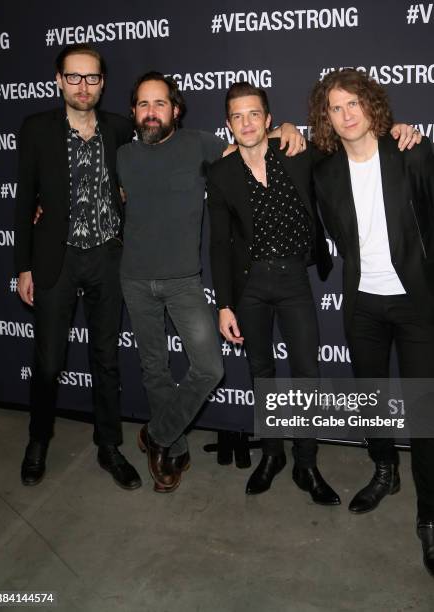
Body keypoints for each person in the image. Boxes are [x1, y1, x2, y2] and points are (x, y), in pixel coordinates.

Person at [117, 72, 305, 493]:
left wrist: (285, 129)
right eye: (144, 105)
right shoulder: (123, 155)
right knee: (154, 371)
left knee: (209, 366)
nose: (151, 112)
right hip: (133, 278)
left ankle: (157, 435)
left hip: (185, 281)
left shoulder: (200, 144)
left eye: (160, 104)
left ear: (176, 110)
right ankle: (173, 448)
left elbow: (251, 141)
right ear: (134, 112)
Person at [310, 69, 434, 579]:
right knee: (371, 397)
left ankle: (430, 518)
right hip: (363, 304)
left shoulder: (409, 151)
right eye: (335, 107)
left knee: (423, 411)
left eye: (354, 102)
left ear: (371, 106)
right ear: (325, 118)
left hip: (414, 304)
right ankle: (384, 470)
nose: (346, 113)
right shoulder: (326, 172)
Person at [14, 44, 141, 489]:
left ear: (102, 83)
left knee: (106, 359)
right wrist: (24, 266)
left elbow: (166, 147)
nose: (83, 86)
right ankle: (37, 441)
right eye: (74, 77)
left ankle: (109, 446)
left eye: (91, 78)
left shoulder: (121, 130)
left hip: (108, 257)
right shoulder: (36, 130)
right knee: (48, 362)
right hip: (56, 259)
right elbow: (24, 201)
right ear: (58, 80)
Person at [206, 82, 339, 504]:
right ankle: (273, 454)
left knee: (306, 373)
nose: (246, 123)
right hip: (251, 286)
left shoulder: (294, 152)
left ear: (266, 119)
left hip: (295, 279)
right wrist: (224, 303)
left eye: (253, 114)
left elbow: (346, 146)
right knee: (262, 372)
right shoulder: (221, 173)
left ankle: (306, 462)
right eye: (237, 116)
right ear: (229, 125)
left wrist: (290, 127)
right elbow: (220, 244)